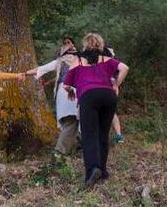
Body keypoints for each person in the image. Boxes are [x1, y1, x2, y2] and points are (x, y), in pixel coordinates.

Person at [62, 32, 129, 189]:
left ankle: (93, 170)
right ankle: (103, 171)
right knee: (102, 134)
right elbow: (125, 68)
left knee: (89, 134)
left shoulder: (77, 61)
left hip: (88, 96)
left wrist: (72, 90)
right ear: (100, 44)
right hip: (108, 96)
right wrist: (115, 85)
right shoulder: (107, 59)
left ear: (85, 45)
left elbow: (66, 85)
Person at [26, 37, 80, 157]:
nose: (66, 45)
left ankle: (74, 148)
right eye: (64, 43)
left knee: (74, 122)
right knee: (72, 121)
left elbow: (42, 69)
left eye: (68, 43)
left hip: (70, 91)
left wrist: (25, 73)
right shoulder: (72, 61)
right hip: (71, 92)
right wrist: (25, 73)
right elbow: (42, 69)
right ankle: (59, 153)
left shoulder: (66, 61)